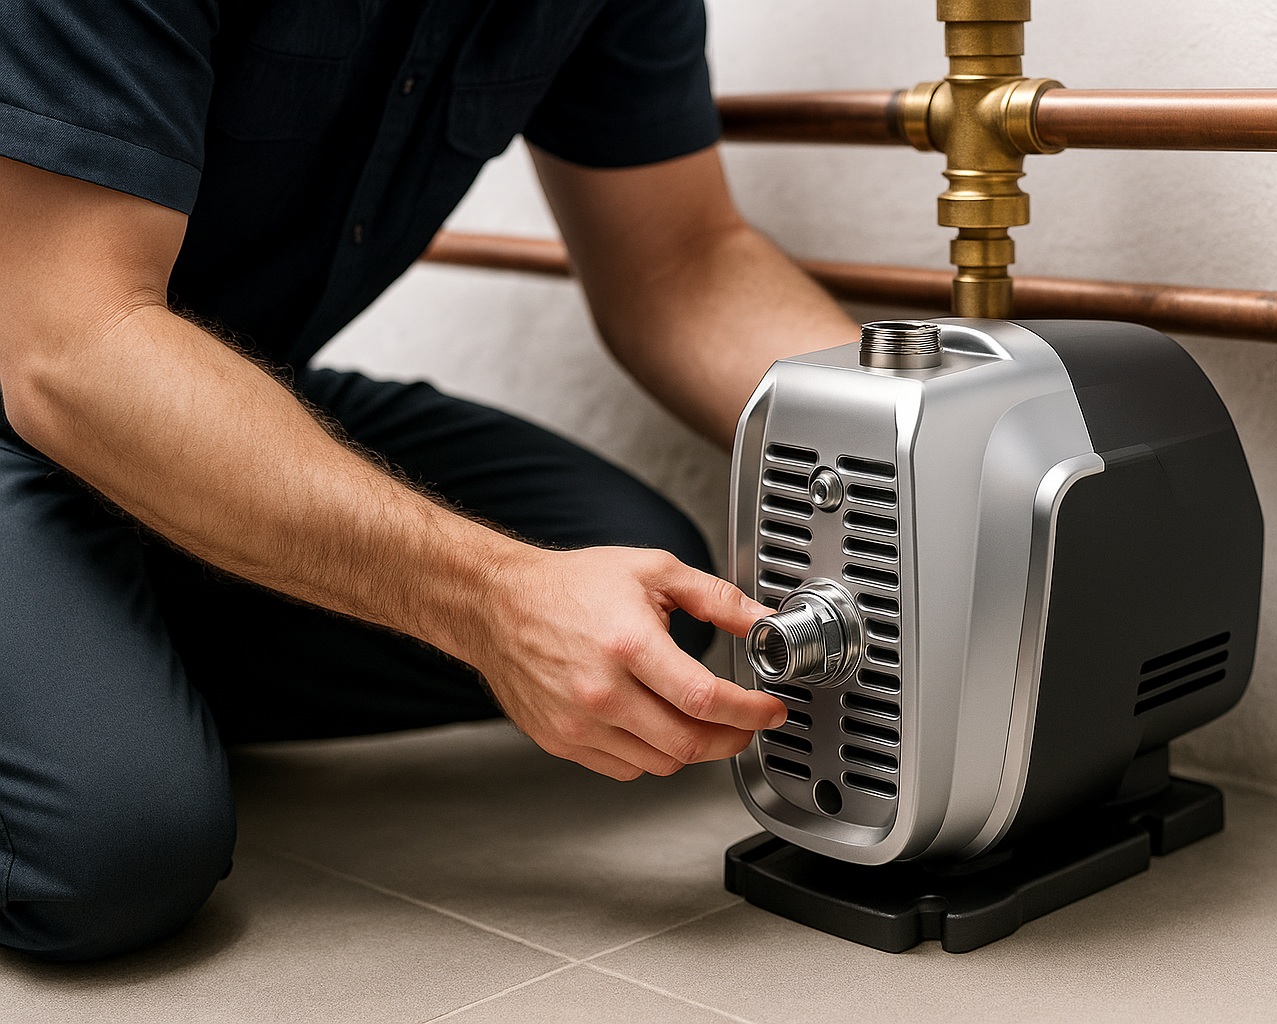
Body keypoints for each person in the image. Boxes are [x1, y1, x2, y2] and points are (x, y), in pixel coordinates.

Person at [0, 0, 858, 961]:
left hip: (190, 385)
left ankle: (88, 667)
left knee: (647, 595)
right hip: (56, 357)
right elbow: (73, 348)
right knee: (114, 856)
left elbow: (684, 265)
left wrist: (933, 448)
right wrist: (489, 598)